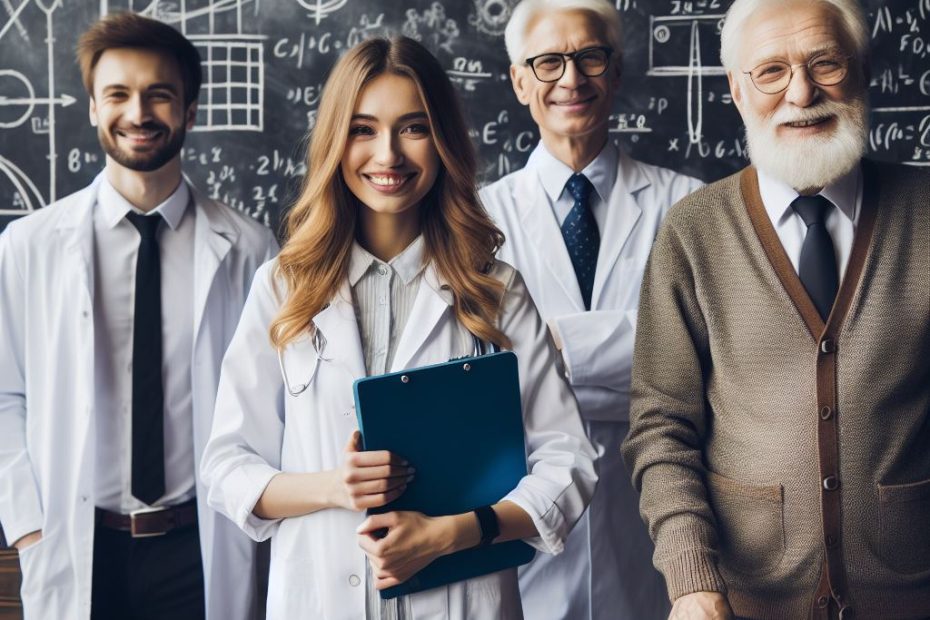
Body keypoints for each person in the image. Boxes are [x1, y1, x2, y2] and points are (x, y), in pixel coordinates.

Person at [199, 36, 597, 620]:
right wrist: (334, 487)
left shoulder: (495, 288)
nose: (387, 155)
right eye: (363, 129)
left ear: (443, 143)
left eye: (413, 128)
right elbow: (227, 465)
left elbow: (568, 463)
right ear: (337, 141)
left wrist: (457, 533)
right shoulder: (283, 287)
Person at [622, 0, 930, 618]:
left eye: (826, 63)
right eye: (771, 71)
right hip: (742, 602)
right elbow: (662, 427)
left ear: (863, 70)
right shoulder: (692, 232)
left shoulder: (923, 211)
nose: (802, 91)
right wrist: (691, 580)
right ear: (737, 90)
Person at [0, 13, 277, 620]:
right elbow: (3, 396)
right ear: (95, 108)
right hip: (77, 545)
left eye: (159, 94)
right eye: (119, 94)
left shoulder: (252, 249)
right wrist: (28, 530)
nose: (139, 112)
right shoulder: (29, 245)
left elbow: (271, 405)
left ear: (190, 108)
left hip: (202, 547)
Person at [479, 1, 702, 618]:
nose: (571, 79)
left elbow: (700, 360)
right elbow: (489, 377)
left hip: (657, 513)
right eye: (548, 62)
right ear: (520, 81)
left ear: (617, 70)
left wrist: (554, 348)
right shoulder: (476, 223)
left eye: (590, 57)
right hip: (527, 512)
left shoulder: (689, 206)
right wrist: (635, 361)